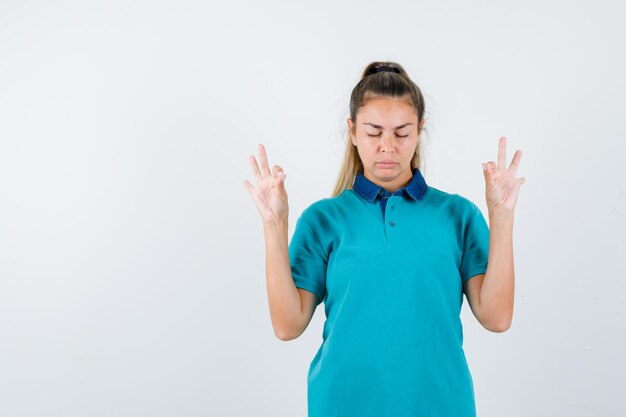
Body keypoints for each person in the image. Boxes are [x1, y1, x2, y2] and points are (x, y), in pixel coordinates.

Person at [243, 61, 525, 417]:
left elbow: (497, 318)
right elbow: (287, 325)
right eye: (374, 132)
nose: (387, 146)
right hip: (343, 404)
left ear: (420, 129)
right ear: (353, 131)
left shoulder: (457, 215)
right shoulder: (323, 219)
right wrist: (274, 224)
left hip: (440, 404)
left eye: (401, 132)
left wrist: (502, 216)